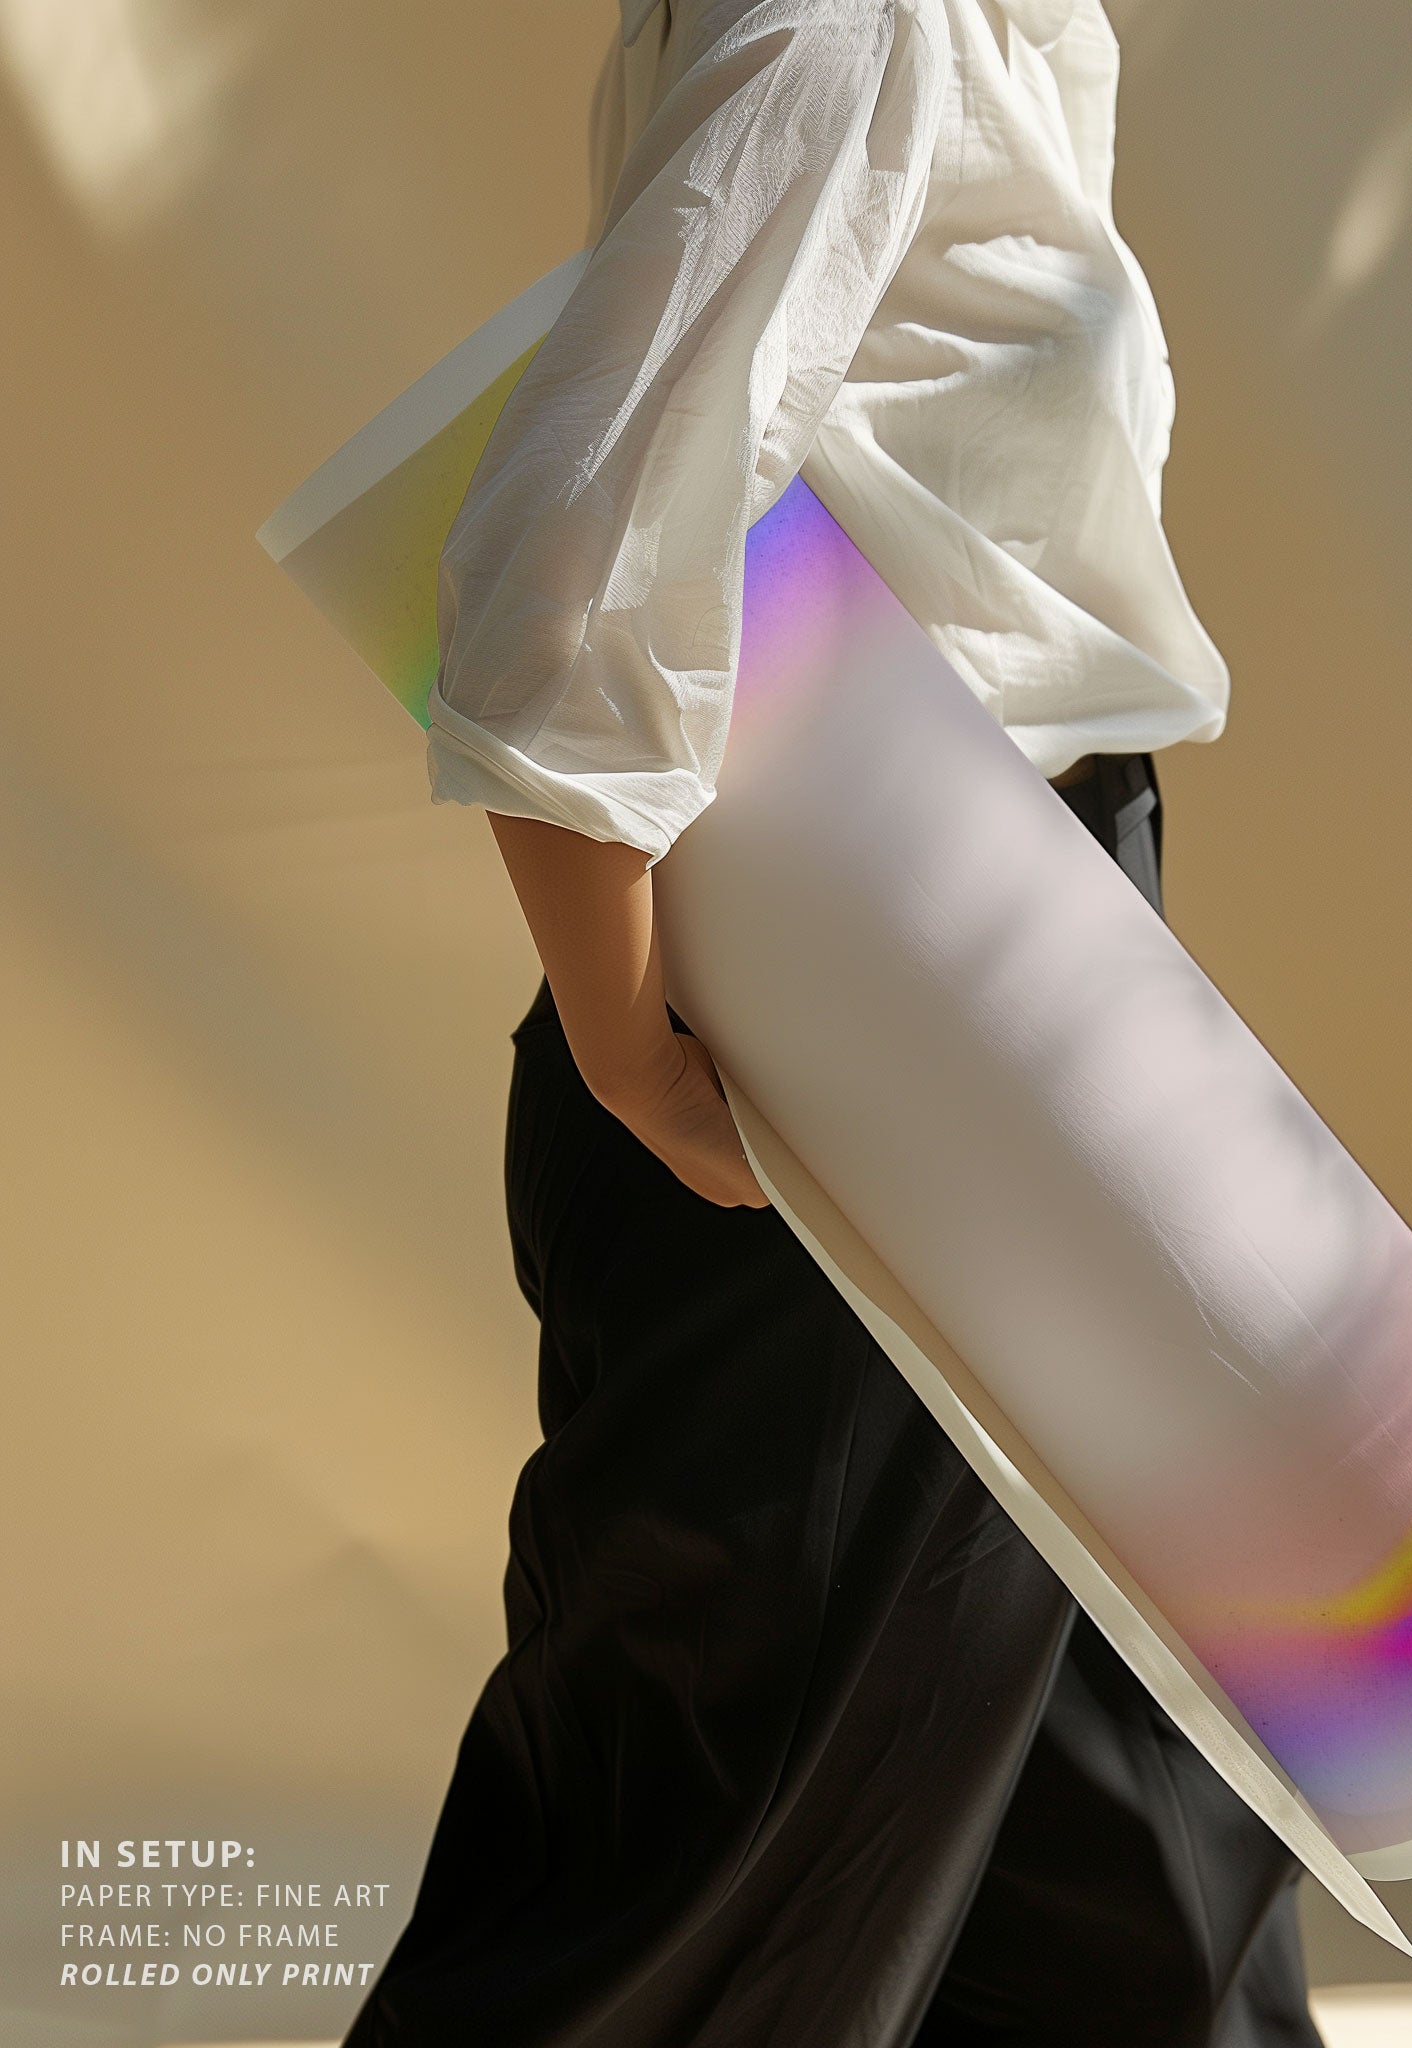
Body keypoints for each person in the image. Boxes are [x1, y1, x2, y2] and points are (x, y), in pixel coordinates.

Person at [342, 3, 1319, 2042]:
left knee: (1139, 1830)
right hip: (866, 990)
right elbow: (573, 543)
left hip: (1022, 947)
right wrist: (631, 1048)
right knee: (690, 1865)